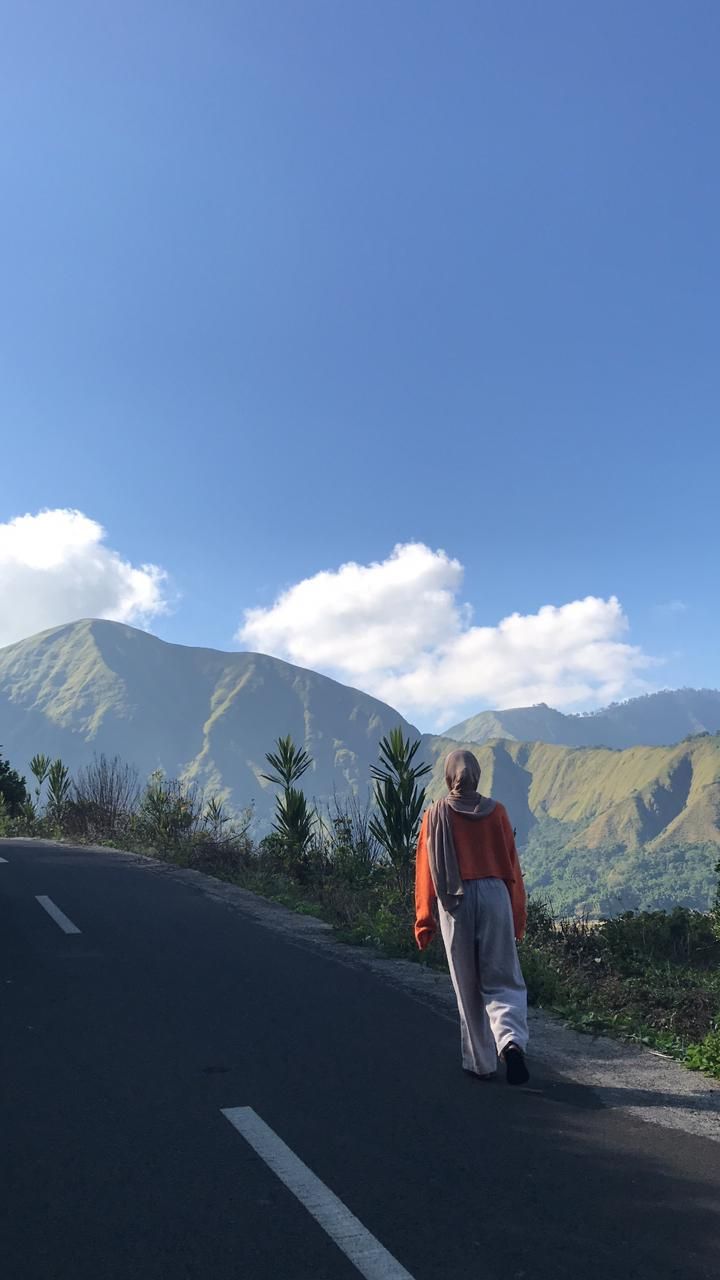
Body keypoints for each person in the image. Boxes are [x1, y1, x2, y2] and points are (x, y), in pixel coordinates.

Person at [414, 748, 530, 1085]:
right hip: (495, 896)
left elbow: (425, 872)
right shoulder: (498, 813)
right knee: (503, 976)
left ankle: (481, 1063)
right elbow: (512, 870)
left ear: (449, 776)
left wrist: (425, 920)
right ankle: (510, 1042)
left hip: (455, 899)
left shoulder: (435, 815)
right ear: (477, 775)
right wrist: (517, 915)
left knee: (467, 981)